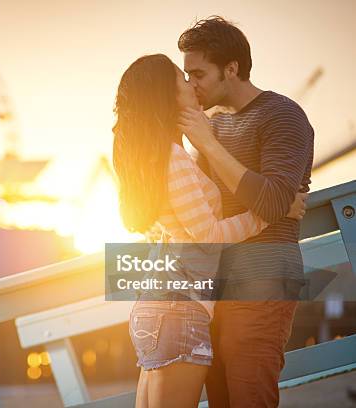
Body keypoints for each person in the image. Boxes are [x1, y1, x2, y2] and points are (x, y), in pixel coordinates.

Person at [112, 54, 306, 408]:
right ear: (168, 97)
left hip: (159, 306)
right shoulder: (173, 159)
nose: (191, 84)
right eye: (182, 78)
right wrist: (272, 214)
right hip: (179, 309)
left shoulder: (157, 157)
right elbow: (208, 234)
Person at [177, 16, 314, 407]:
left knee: (249, 395)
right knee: (221, 399)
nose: (191, 84)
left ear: (231, 68)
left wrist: (206, 141)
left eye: (198, 73)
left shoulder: (282, 115)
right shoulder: (213, 126)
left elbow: (272, 202)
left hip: (263, 276)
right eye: (187, 75)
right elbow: (196, 210)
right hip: (215, 284)